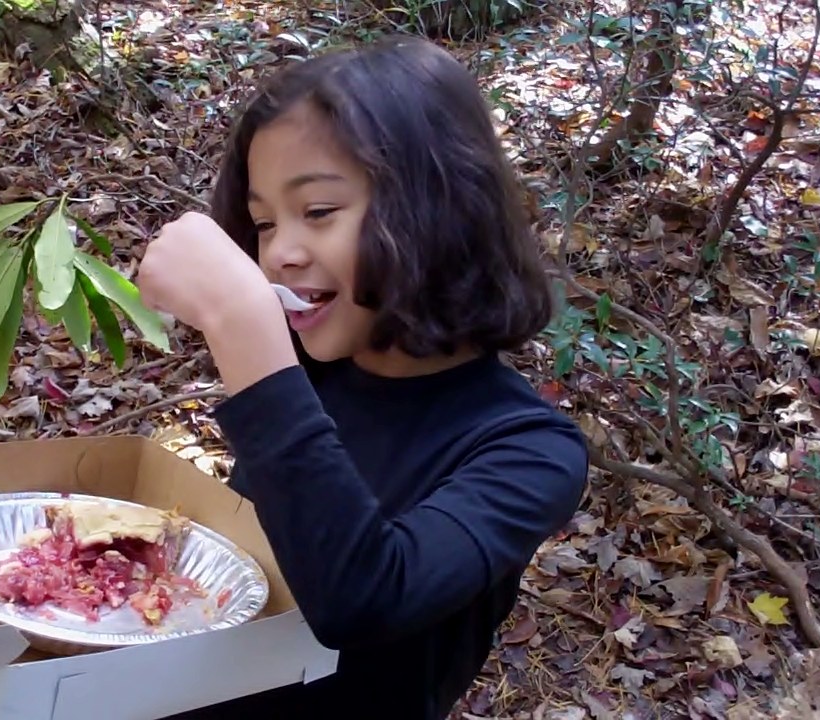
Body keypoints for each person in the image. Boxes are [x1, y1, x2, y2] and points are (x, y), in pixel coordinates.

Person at [136, 35, 589, 720]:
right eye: (262, 223)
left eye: (317, 211)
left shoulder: (529, 451)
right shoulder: (315, 382)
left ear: (438, 209)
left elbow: (363, 600)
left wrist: (244, 332)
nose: (280, 253)